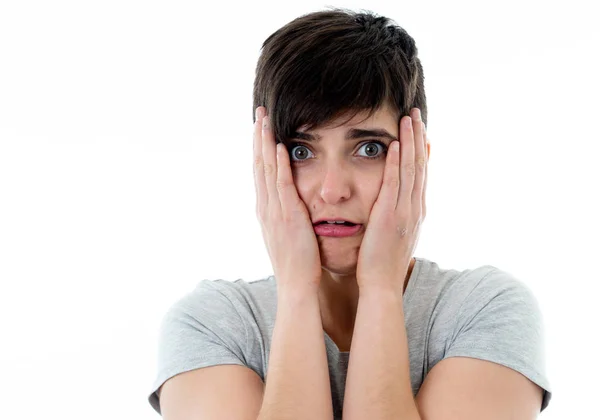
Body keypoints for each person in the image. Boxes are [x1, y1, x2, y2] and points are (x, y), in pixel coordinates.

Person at [148, 8, 552, 419]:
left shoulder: (485, 309)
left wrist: (380, 288)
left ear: (418, 161)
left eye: (369, 149)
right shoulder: (212, 324)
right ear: (263, 164)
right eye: (300, 151)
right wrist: (296, 292)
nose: (332, 190)